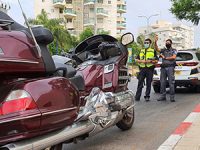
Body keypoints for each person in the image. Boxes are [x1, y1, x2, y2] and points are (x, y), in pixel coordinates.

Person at [155, 35, 177, 102]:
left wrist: (165, 58)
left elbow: (173, 57)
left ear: (171, 43)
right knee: (162, 82)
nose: (167, 44)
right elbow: (157, 49)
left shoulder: (174, 50)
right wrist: (155, 42)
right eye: (166, 43)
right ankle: (163, 96)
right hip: (163, 68)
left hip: (170, 68)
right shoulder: (163, 50)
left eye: (168, 43)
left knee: (171, 83)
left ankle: (172, 97)